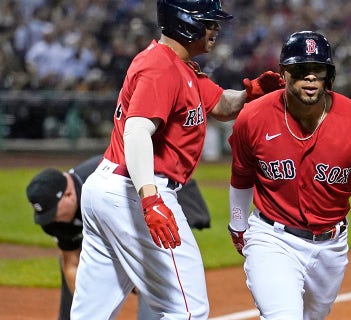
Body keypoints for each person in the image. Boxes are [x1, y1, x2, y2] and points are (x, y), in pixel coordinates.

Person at [69, 1, 284, 319]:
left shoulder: (180, 66)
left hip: (110, 189)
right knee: (187, 309)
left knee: (91, 313)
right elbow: (138, 131)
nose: (215, 29)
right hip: (136, 188)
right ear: (186, 23)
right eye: (208, 22)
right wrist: (150, 199)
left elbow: (220, 106)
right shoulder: (161, 67)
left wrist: (248, 95)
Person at [226, 30, 351, 319]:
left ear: (329, 76)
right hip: (272, 238)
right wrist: (237, 224)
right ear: (284, 73)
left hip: (331, 247)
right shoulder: (254, 117)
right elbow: (241, 173)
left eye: (317, 70)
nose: (310, 78)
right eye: (300, 70)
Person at [25, 155, 211, 320]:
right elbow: (72, 264)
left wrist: (138, 276)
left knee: (159, 282)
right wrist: (91, 301)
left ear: (69, 194)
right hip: (125, 218)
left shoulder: (101, 184)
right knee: (78, 305)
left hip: (162, 199)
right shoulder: (54, 221)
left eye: (54, 212)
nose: (53, 219)